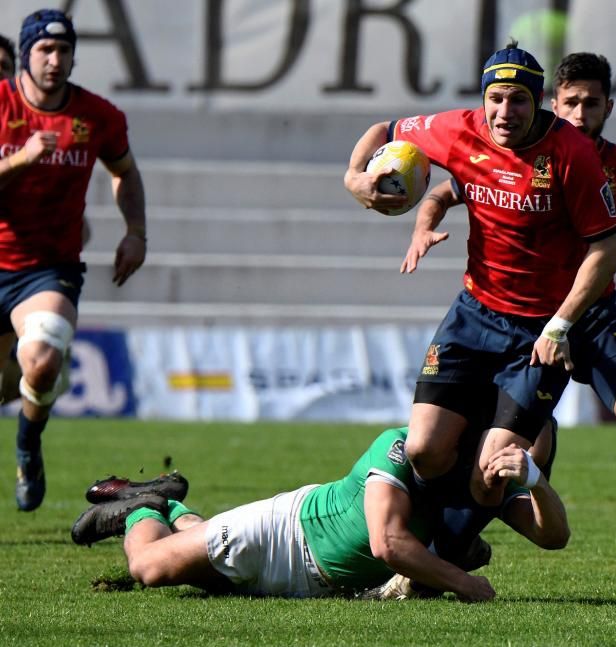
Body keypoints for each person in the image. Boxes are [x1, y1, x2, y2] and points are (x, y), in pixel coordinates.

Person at [401, 52, 616, 583]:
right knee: (472, 454)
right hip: (518, 319)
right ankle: (444, 551)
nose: (582, 112)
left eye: (593, 102)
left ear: (609, 106)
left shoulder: (615, 165)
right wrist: (422, 222)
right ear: (554, 105)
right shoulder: (515, 151)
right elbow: (448, 191)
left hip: (590, 317)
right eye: (572, 102)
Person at [344, 42, 616, 508]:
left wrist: (561, 325)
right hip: (475, 312)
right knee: (423, 450)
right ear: (483, 100)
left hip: (539, 327)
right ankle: (448, 537)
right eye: (495, 98)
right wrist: (354, 177)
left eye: (518, 100)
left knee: (489, 476)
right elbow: (384, 130)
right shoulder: (456, 129)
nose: (505, 111)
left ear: (537, 103)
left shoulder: (571, 153)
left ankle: (442, 558)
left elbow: (607, 249)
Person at [71, 425, 568, 600]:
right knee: (151, 568)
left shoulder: (492, 485)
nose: (515, 453)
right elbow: (387, 544)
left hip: (319, 582)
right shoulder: (403, 448)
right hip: (287, 536)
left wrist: (535, 483)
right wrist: (463, 581)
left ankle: (175, 507)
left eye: (528, 452)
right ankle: (144, 505)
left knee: (200, 560)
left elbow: (554, 537)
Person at [0, 9, 147, 511]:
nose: (55, 60)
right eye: (45, 49)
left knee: (41, 363)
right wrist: (20, 159)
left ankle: (27, 444)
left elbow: (125, 172)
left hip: (46, 267)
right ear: (26, 54)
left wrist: (135, 232)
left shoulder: (97, 117)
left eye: (63, 50)